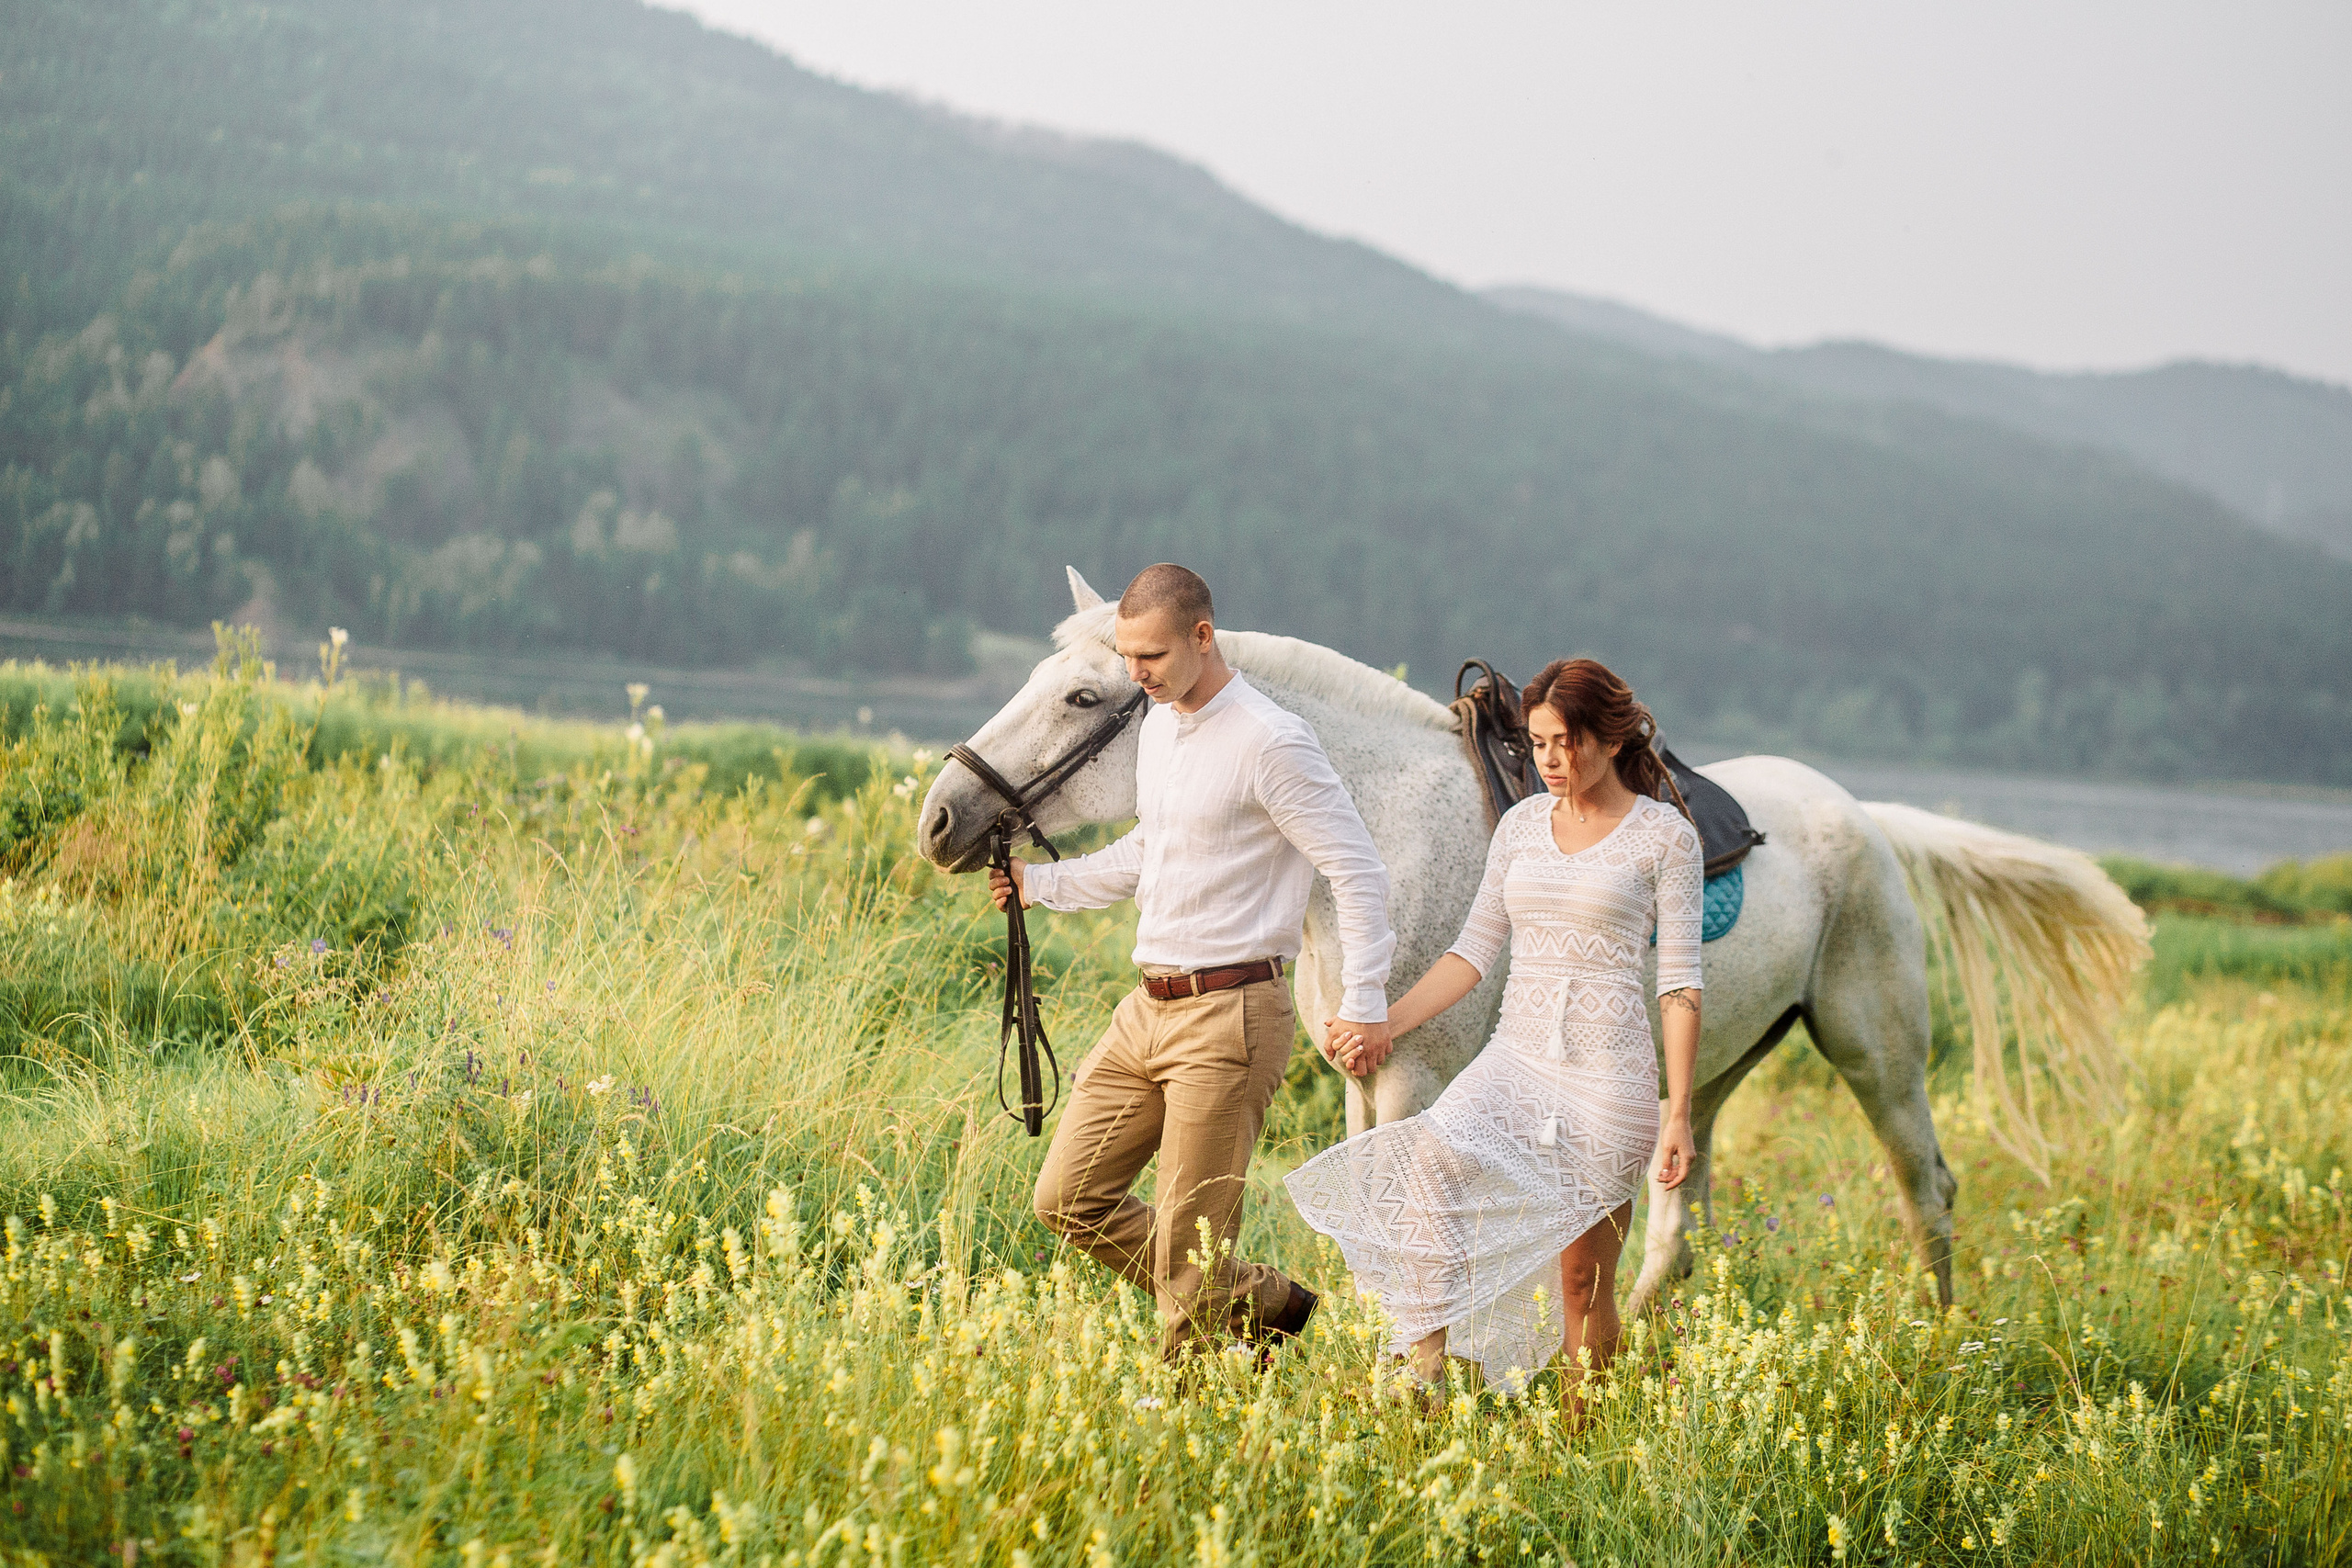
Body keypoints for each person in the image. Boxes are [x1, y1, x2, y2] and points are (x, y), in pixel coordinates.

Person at [990, 563, 1398, 1368]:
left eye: (1150, 657)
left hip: (1231, 1014)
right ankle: (1264, 1301)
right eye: (1126, 657)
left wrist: (1366, 999)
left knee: (1191, 1243)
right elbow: (1153, 847)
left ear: (1202, 637)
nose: (1134, 674)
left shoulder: (1272, 740)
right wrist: (1043, 884)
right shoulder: (1164, 728)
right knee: (1067, 1198)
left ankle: (1186, 1416)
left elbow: (1356, 869)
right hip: (1147, 1009)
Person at [1286, 657, 1703, 1401]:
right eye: (1539, 741)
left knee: (1583, 1277)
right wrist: (1384, 1022)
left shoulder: (1663, 838)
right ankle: (1423, 1380)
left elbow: (1678, 986)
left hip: (1609, 1078)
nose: (1550, 759)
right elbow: (1472, 952)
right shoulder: (1518, 827)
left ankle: (1587, 1437)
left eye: (1566, 742)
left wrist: (1679, 1113)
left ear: (1610, 740)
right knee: (1433, 1166)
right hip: (1514, 1061)